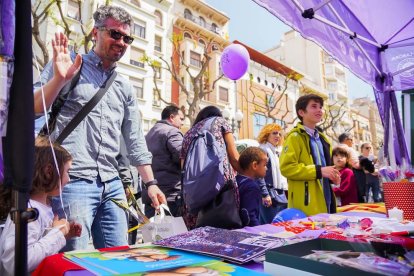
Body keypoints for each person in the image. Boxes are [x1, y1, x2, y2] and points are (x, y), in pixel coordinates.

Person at [33, 5, 166, 250]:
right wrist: (58, 79)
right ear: (96, 33)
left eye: (127, 38)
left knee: (119, 258)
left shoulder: (125, 87)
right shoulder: (68, 66)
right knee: (76, 260)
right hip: (73, 181)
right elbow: (34, 108)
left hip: (113, 183)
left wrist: (151, 184)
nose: (122, 42)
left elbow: (135, 140)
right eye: (115, 34)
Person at [0, 138, 82, 275]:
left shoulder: (40, 208)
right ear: (49, 171)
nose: (69, 179)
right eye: (68, 171)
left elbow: (37, 244)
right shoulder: (29, 211)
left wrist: (63, 234)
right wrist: (58, 234)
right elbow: (14, 264)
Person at [180, 106, 241, 229]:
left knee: (198, 236)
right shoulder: (220, 122)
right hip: (221, 187)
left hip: (193, 193)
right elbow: (234, 157)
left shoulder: (188, 134)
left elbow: (183, 167)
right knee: (225, 232)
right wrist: (248, 174)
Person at [280, 94, 340, 216]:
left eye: (321, 107)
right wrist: (319, 171)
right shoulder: (294, 137)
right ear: (301, 112)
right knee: (309, 234)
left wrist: (334, 177)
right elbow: (287, 168)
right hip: (305, 204)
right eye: (314, 106)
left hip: (326, 199)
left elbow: (327, 169)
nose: (319, 110)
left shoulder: (324, 139)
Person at [144, 105, 184, 218]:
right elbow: (184, 157)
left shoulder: (149, 134)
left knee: (155, 234)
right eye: (181, 119)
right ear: (172, 117)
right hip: (170, 196)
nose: (182, 123)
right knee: (175, 234)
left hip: (151, 195)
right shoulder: (172, 132)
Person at [256, 123, 288, 224]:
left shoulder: (276, 151)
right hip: (268, 193)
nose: (278, 136)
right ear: (266, 135)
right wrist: (265, 194)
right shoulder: (262, 150)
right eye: (274, 133)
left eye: (279, 134)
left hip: (278, 193)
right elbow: (258, 174)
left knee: (277, 225)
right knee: (269, 225)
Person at [236, 147, 268, 227]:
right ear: (254, 165)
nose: (266, 168)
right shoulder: (252, 187)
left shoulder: (237, 180)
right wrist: (258, 232)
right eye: (264, 165)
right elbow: (249, 216)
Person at [338, 132, 365, 203]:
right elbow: (356, 165)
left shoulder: (334, 149)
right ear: (346, 140)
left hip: (337, 176)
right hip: (350, 176)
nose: (352, 142)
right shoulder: (349, 149)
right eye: (351, 140)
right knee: (354, 199)